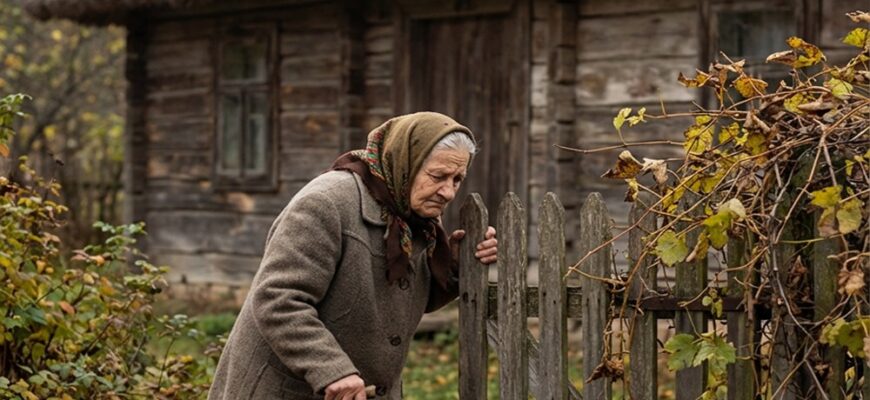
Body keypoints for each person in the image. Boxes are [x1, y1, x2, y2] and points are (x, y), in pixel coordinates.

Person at [208, 112, 498, 400]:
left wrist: (454, 265)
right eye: (438, 176)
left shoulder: (413, 216)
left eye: (457, 179)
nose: (448, 192)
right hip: (285, 390)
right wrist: (331, 369)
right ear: (405, 162)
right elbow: (279, 299)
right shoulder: (326, 203)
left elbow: (397, 301)